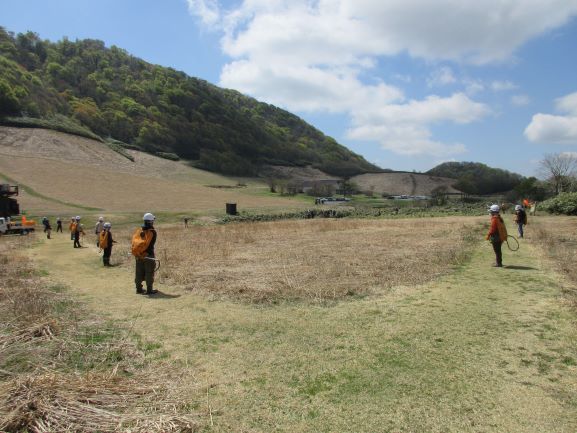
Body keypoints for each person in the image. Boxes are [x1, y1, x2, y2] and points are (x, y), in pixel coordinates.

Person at [132, 212, 158, 295]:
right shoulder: (153, 232)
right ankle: (149, 290)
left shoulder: (139, 230)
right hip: (148, 255)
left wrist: (139, 253)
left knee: (138, 272)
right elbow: (151, 245)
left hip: (138, 255)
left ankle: (138, 289)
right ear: (151, 221)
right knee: (149, 272)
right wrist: (146, 253)